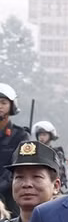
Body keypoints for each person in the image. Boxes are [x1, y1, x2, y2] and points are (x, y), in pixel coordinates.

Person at [0, 84, 31, 214]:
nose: (0, 106)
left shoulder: (21, 136)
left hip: (11, 194)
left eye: (3, 102)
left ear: (12, 106)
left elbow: (19, 166)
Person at [31, 121, 68, 192]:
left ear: (50, 135)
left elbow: (60, 171)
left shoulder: (57, 153)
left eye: (44, 134)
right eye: (40, 135)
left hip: (53, 186)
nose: (41, 137)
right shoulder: (33, 152)